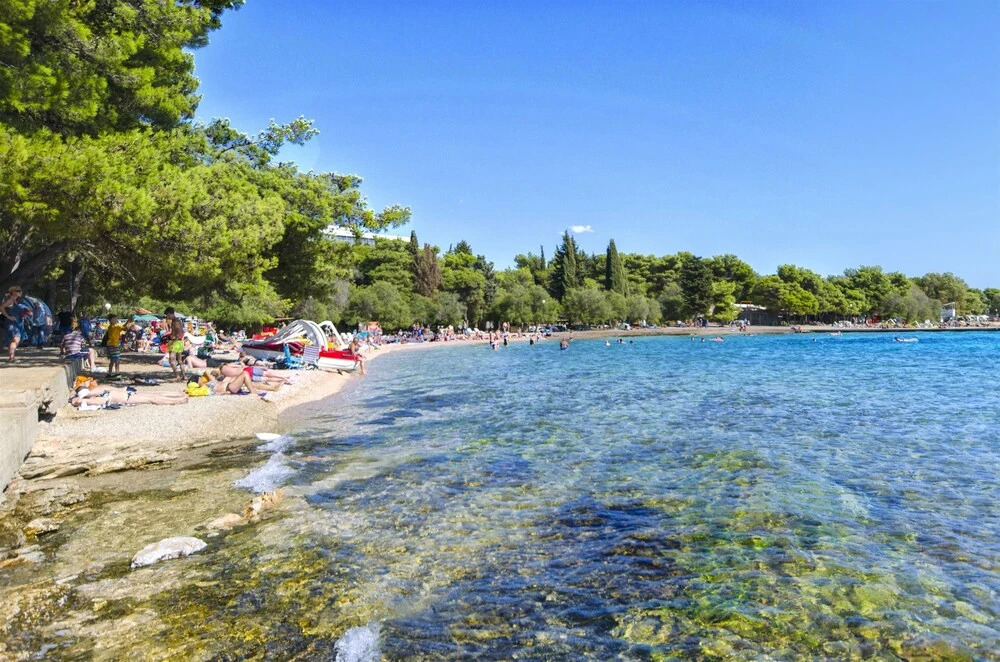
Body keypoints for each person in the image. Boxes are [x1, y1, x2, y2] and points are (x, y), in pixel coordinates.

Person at [69, 385, 189, 408]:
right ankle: (178, 399)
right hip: (127, 396)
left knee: (154, 396)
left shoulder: (97, 394)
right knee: (153, 397)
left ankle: (178, 397)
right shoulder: (97, 396)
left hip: (126, 395)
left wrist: (78, 397)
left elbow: (77, 400)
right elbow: (76, 401)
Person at [1, 286, 27, 363]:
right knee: (16, 339)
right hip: (11, 323)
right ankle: (11, 358)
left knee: (13, 340)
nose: (20, 292)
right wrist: (8, 316)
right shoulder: (10, 300)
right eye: (18, 291)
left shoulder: (15, 301)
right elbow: (1, 307)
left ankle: (11, 357)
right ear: (13, 292)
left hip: (16, 323)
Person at [163, 307, 186, 380]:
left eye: (168, 315)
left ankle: (177, 376)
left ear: (171, 314)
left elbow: (178, 333)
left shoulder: (175, 322)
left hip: (175, 341)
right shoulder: (177, 321)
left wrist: (173, 342)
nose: (167, 317)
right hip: (179, 342)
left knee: (171, 360)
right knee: (180, 361)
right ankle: (184, 376)